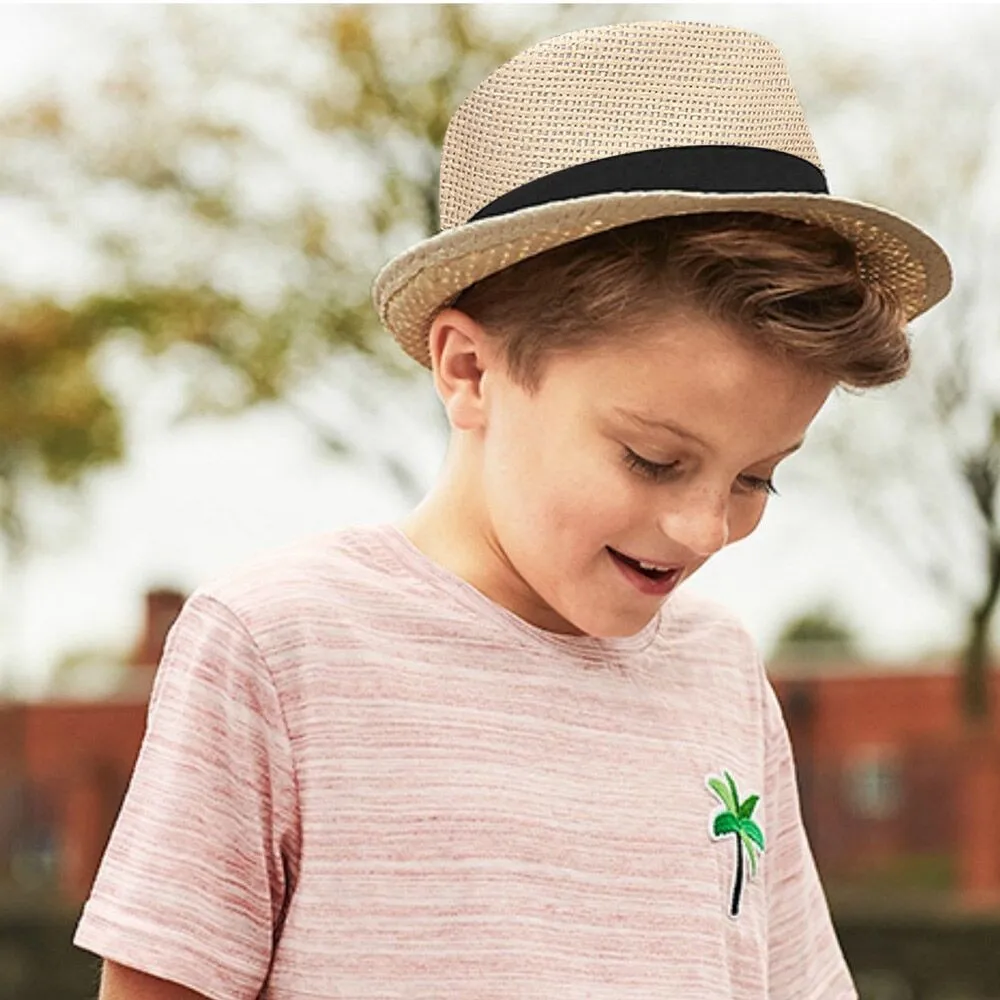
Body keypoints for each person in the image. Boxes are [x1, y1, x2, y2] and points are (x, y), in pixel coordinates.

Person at [73, 19, 951, 1000]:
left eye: (758, 477)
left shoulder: (721, 675)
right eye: (653, 459)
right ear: (468, 370)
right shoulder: (280, 647)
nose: (706, 528)